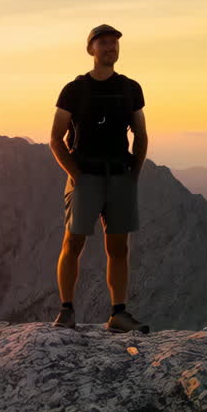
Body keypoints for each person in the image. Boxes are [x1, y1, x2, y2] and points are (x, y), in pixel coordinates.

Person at [48, 23, 150, 333]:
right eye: (103, 43)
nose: (110, 48)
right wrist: (75, 175)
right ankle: (66, 310)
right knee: (73, 243)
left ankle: (118, 314)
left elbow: (141, 133)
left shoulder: (130, 88)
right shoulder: (74, 89)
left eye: (114, 43)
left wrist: (135, 172)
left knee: (118, 248)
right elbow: (55, 138)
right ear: (91, 49)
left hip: (119, 175)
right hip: (86, 176)